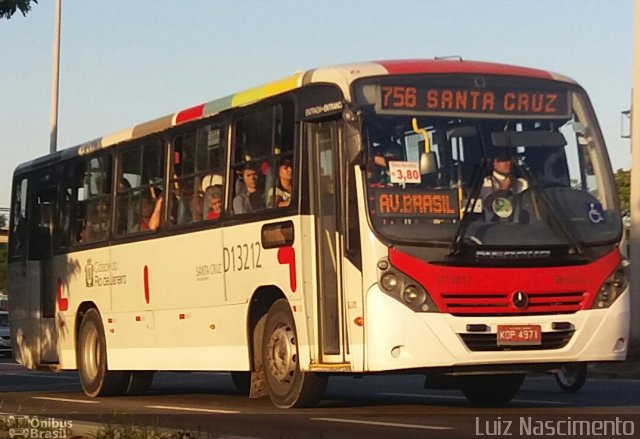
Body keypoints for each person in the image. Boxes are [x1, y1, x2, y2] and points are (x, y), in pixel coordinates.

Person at [480, 153, 528, 219]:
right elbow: (488, 203)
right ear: (495, 162)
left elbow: (531, 189)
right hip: (498, 227)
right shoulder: (487, 182)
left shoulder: (520, 182)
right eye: (504, 160)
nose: (508, 163)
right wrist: (504, 189)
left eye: (510, 160)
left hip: (524, 227)